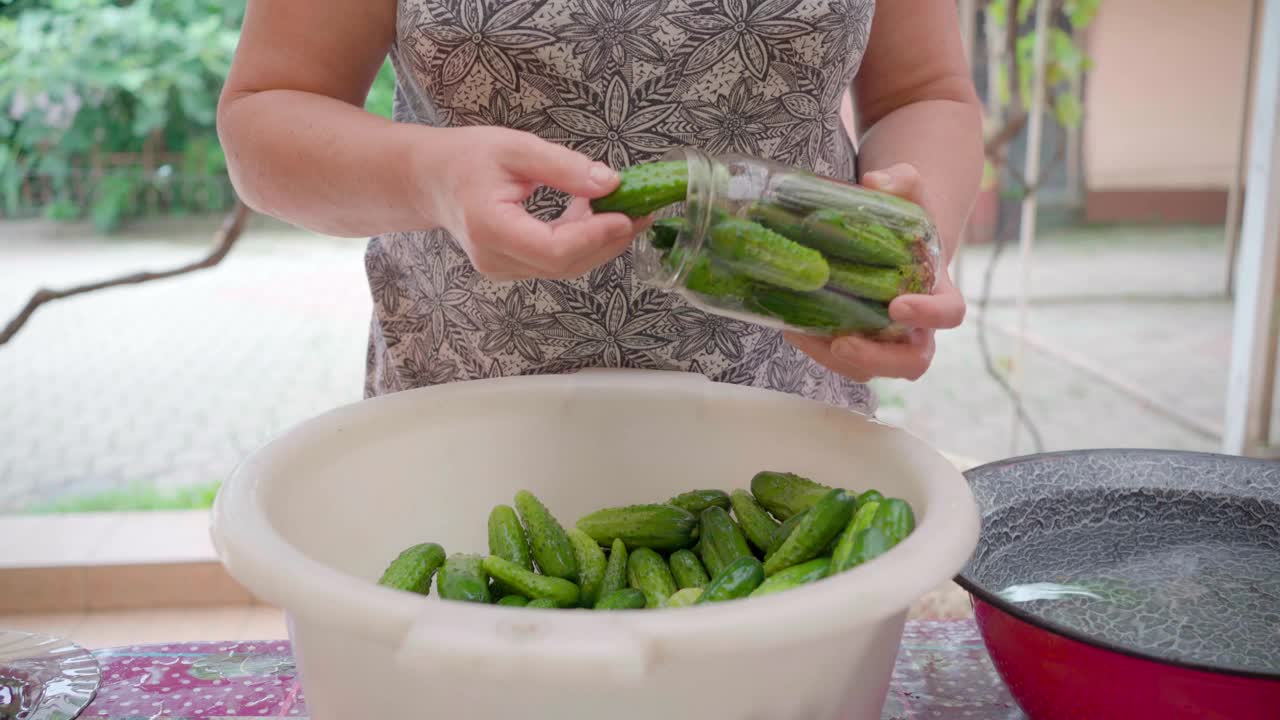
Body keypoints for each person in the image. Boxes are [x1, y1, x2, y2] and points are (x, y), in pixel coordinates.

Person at [215, 0, 983, 416]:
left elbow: (924, 93)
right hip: (465, 415)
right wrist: (434, 178)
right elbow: (266, 117)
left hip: (786, 406)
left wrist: (908, 252)